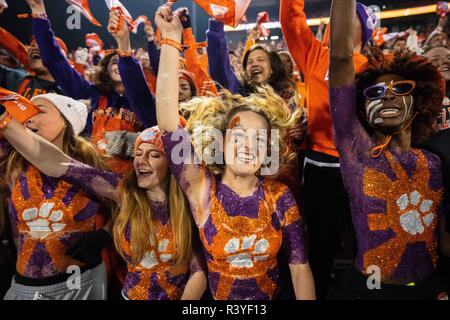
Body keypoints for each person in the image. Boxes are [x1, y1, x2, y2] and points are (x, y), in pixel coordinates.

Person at [154, 3, 315, 300]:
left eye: (258, 139)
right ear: (220, 141)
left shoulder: (280, 196)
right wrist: (170, 42)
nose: (247, 146)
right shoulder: (201, 188)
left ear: (268, 151)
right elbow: (167, 122)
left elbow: (300, 269)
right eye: (239, 135)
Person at [0, 102, 207, 300]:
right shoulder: (123, 191)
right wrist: (4, 119)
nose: (141, 161)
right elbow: (58, 163)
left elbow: (198, 270)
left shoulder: (192, 204)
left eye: (153, 155)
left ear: (172, 165)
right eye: (137, 154)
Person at [329, 0, 449, 300]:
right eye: (376, 92)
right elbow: (341, 57)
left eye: (400, 89)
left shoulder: (434, 161)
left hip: (430, 288)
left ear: (418, 102)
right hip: (371, 290)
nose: (388, 97)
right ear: (362, 105)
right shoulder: (356, 149)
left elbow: (445, 237)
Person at [280, 0, 376, 299]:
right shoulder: (315, 55)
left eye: (349, 17)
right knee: (321, 242)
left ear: (365, 27)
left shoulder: (377, 67)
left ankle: (369, 292)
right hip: (321, 164)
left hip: (364, 165)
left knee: (370, 238)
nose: (339, 21)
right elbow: (291, 21)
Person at [26, 0, 157, 174]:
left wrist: (124, 47)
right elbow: (55, 61)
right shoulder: (89, 93)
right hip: (87, 178)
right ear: (105, 69)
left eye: (122, 63)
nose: (119, 66)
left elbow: (138, 92)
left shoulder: (144, 102)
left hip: (129, 185)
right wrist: (38, 12)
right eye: (114, 62)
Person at [0, 93, 109, 299]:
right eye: (27, 111)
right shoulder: (13, 163)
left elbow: (127, 204)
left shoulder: (90, 166)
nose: (29, 117)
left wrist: (106, 233)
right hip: (24, 284)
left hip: (79, 285)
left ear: (67, 122)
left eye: (39, 110)